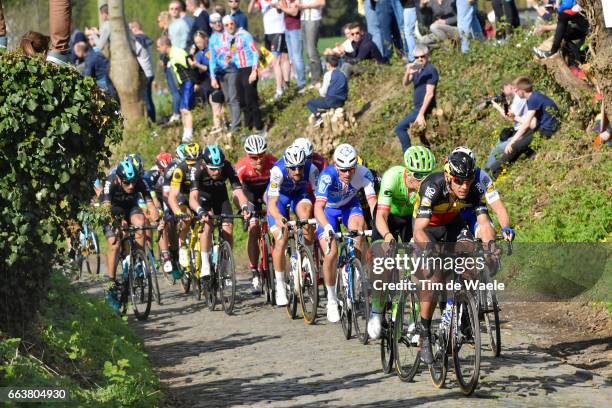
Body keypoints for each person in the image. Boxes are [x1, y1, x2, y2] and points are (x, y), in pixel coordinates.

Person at [412, 149, 495, 364]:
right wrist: (430, 251)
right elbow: (418, 230)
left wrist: (490, 248)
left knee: (469, 256)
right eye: (458, 181)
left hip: (452, 225)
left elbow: (484, 223)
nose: (464, 186)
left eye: (467, 181)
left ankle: (462, 306)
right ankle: (425, 332)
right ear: (449, 176)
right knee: (435, 278)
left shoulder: (472, 190)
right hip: (427, 228)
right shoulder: (433, 186)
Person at [367, 145, 436, 339]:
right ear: (407, 171)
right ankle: (376, 312)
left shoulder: (428, 187)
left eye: (426, 175)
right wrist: (388, 236)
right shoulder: (392, 177)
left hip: (410, 220)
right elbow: (380, 215)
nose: (422, 180)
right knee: (382, 261)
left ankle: (416, 320)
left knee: (418, 266)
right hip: (387, 218)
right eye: (417, 175)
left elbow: (424, 222)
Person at [315, 144, 377, 323]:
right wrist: (326, 227)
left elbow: (373, 204)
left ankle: (354, 266)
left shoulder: (364, 173)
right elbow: (318, 207)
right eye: (343, 170)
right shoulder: (327, 176)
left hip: (350, 206)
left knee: (359, 229)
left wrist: (377, 223)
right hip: (328, 211)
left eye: (351, 169)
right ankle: (332, 300)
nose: (348, 174)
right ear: (335, 165)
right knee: (331, 252)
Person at [266, 145, 319, 306]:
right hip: (280, 198)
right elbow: (272, 204)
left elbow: (320, 198)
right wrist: (278, 217)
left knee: (305, 216)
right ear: (287, 166)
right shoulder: (277, 171)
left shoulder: (312, 169)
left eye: (300, 167)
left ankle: (303, 256)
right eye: (293, 168)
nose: (297, 171)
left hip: (299, 195)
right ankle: (280, 285)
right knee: (281, 238)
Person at [100, 159, 156, 310]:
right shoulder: (110, 182)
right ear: (119, 179)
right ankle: (111, 285)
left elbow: (150, 203)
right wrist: (116, 224)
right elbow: (105, 210)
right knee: (115, 244)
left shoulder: (138, 181)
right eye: (126, 183)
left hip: (130, 209)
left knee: (141, 223)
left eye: (133, 182)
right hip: (111, 212)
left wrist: (158, 217)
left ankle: (137, 259)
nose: (131, 186)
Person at [190, 145, 250, 278]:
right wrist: (200, 211)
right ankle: (205, 263)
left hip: (220, 197)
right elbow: (192, 198)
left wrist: (244, 206)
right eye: (213, 169)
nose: (217, 172)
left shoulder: (227, 166)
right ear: (205, 165)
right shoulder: (197, 169)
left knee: (228, 227)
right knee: (207, 224)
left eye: (219, 168)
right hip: (203, 198)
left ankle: (225, 263)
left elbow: (238, 191)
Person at [489, 76, 559, 177]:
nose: (515, 93)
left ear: (522, 90)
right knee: (513, 146)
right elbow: (514, 115)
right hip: (541, 127)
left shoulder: (530, 99)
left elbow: (522, 122)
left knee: (511, 147)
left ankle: (493, 173)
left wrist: (497, 107)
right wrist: (504, 102)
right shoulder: (531, 97)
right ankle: (495, 171)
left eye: (516, 90)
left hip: (547, 130)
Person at [235, 135, 278, 291]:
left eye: (262, 155)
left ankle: (276, 266)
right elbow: (237, 192)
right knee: (253, 230)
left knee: (276, 227)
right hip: (249, 195)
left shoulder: (274, 163)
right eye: (254, 157)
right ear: (248, 155)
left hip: (267, 192)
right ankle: (254, 270)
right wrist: (243, 208)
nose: (259, 160)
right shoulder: (241, 167)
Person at [453, 147, 515, 242]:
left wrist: (505, 227)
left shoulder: (482, 176)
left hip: (475, 212)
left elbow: (499, 208)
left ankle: (489, 254)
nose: (465, 185)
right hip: (455, 214)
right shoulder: (447, 178)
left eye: (469, 177)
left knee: (484, 220)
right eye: (459, 180)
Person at [394, 44, 438, 152]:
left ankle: (407, 154)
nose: (419, 59)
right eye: (417, 57)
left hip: (424, 107)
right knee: (422, 134)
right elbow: (405, 83)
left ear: (427, 56)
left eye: (422, 56)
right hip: (417, 107)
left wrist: (421, 114)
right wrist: (408, 71)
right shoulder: (417, 68)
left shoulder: (430, 70)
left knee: (400, 128)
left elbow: (429, 94)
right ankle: (429, 154)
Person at [224, 15, 264, 133]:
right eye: (227, 25)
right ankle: (248, 127)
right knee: (242, 101)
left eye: (231, 23)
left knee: (251, 99)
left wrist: (254, 71)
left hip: (249, 68)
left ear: (235, 23)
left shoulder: (245, 35)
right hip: (239, 70)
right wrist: (228, 59)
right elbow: (232, 54)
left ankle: (259, 127)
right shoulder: (231, 39)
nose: (230, 26)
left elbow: (255, 52)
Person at [168, 143, 202, 269]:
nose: (193, 164)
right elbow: (172, 196)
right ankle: (182, 245)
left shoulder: (203, 168)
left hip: (198, 194)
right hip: (183, 195)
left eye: (197, 160)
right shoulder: (179, 170)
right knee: (186, 218)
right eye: (190, 161)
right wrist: (178, 212)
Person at [485, 79, 532, 169]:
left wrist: (497, 107)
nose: (503, 92)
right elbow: (509, 112)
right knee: (500, 141)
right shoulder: (516, 98)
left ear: (509, 86)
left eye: (503, 89)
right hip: (518, 130)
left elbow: (510, 117)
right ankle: (489, 167)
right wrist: (505, 102)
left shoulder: (519, 99)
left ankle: (490, 170)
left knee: (497, 150)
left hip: (523, 131)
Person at [248, 0, 291, 100]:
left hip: (279, 32)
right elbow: (250, 11)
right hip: (268, 34)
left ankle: (279, 89)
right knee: (266, 61)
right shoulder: (261, 1)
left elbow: (284, 8)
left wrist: (276, 5)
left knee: (278, 61)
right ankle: (284, 85)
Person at [156, 36, 196, 143]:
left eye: (159, 47)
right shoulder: (170, 55)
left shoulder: (177, 52)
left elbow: (189, 63)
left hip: (188, 81)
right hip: (182, 84)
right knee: (183, 110)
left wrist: (196, 82)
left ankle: (189, 133)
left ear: (165, 45)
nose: (158, 49)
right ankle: (186, 133)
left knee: (185, 109)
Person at [209, 13, 241, 132]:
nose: (217, 24)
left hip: (232, 70)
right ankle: (234, 122)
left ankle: (236, 126)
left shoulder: (228, 34)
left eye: (219, 21)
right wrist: (212, 76)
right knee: (227, 99)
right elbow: (212, 59)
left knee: (233, 98)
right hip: (221, 73)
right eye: (214, 22)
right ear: (210, 25)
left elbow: (233, 51)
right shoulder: (212, 39)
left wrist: (228, 60)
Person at [306, 55, 348, 127]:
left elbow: (323, 93)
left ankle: (318, 117)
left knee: (310, 103)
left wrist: (318, 88)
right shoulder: (343, 73)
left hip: (331, 102)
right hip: (341, 101)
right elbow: (346, 89)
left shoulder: (328, 74)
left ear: (328, 64)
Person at [130, 21, 156, 123]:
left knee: (146, 100)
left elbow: (133, 53)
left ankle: (152, 122)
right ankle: (152, 121)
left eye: (131, 29)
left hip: (145, 73)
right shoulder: (146, 38)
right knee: (149, 98)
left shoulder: (139, 40)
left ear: (135, 28)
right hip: (149, 71)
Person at [158, 11, 182, 124]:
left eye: (159, 20)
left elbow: (168, 49)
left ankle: (176, 113)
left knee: (175, 90)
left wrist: (163, 59)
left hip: (170, 64)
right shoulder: (166, 32)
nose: (158, 22)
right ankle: (176, 111)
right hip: (168, 64)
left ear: (164, 20)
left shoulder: (167, 33)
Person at [278, 0, 306, 91]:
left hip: (296, 29)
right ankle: (299, 82)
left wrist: (282, 7)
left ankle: (302, 83)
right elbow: (280, 10)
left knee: (297, 57)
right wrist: (279, 6)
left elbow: (294, 12)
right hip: (287, 29)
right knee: (292, 58)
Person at [299, 0, 325, 88]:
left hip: (313, 19)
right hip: (303, 18)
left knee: (311, 51)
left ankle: (317, 80)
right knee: (308, 52)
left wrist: (305, 6)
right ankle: (316, 78)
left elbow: (322, 2)